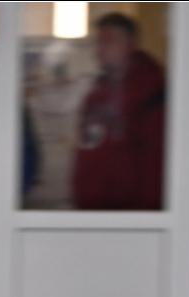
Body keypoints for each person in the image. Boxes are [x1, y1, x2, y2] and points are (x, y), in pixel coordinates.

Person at [71, 11, 166, 211]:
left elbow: (155, 161)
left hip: (132, 215)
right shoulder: (95, 97)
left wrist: (147, 217)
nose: (100, 49)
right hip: (91, 213)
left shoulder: (151, 92)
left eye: (108, 41)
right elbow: (85, 152)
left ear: (129, 45)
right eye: (99, 42)